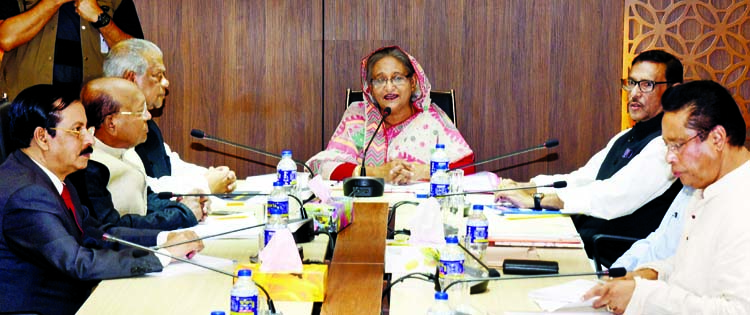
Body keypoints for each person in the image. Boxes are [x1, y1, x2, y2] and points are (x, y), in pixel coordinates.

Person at [0, 84, 203, 314]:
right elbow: (78, 262)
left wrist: (165, 238)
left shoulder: (50, 177)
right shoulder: (26, 194)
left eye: (88, 128)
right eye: (78, 130)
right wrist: (162, 257)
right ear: (43, 137)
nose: (90, 140)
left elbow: (100, 233)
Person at [495, 50, 684, 264]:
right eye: (631, 82)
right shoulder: (626, 136)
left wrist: (538, 201)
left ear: (673, 91)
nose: (633, 93)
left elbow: (614, 196)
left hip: (609, 261)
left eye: (646, 85)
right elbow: (583, 178)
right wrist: (528, 187)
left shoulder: (667, 146)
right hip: (582, 243)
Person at [584, 80, 750, 314]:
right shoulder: (707, 186)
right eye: (667, 146)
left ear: (717, 139)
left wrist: (641, 296)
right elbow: (690, 268)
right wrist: (647, 275)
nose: (670, 157)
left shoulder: (743, 204)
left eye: (678, 145)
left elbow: (737, 310)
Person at [307, 46, 474, 184]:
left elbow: (467, 166)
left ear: (413, 82)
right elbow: (321, 167)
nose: (388, 87)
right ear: (370, 87)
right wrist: (377, 172)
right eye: (380, 80)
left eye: (397, 78)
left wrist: (420, 171)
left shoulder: (431, 119)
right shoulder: (357, 117)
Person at [102, 38, 237, 194]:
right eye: (158, 75)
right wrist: (205, 184)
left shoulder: (149, 125)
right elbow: (144, 191)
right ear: (131, 79)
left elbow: (172, 165)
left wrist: (216, 176)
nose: (166, 83)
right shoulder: (112, 128)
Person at [70, 77, 205, 230]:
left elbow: (146, 200)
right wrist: (181, 215)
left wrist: (182, 204)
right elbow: (112, 228)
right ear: (111, 123)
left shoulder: (128, 152)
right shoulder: (88, 165)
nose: (148, 116)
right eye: (141, 111)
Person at [0, 0, 143, 100]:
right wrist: (52, 2)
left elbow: (136, 54)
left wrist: (100, 18)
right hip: (30, 105)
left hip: (91, 110)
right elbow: (5, 38)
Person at [610, 186, 693, 271]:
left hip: (656, 277)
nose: (674, 172)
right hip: (643, 273)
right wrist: (616, 269)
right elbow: (657, 236)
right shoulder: (687, 189)